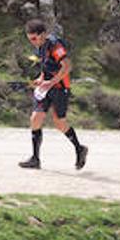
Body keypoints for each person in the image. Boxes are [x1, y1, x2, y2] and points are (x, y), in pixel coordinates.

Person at [19, 19, 88, 170]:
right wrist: (41, 79)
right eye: (30, 39)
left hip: (60, 88)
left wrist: (51, 82)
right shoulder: (40, 47)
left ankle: (79, 148)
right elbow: (46, 66)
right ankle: (35, 159)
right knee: (35, 119)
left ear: (43, 34)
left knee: (59, 123)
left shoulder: (55, 45)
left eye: (34, 38)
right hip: (46, 88)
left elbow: (67, 66)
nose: (32, 42)